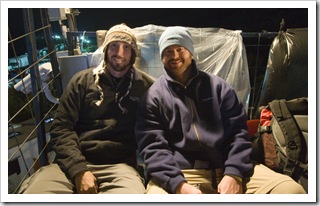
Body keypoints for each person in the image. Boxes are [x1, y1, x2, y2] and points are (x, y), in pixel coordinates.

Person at [135, 26, 306, 194]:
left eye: (180, 49)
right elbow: (153, 147)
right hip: (183, 173)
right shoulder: (153, 97)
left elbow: (238, 133)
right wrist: (179, 186)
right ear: (162, 57)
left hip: (227, 166)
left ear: (190, 52)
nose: (175, 56)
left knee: (290, 190)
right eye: (168, 51)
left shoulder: (218, 87)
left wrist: (234, 174)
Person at [18, 23, 154, 194]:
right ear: (105, 49)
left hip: (119, 167)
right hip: (71, 162)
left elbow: (157, 129)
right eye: (114, 46)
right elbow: (61, 128)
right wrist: (79, 170)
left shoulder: (145, 87)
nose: (119, 53)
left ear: (133, 54)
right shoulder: (81, 81)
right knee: (36, 195)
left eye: (126, 47)